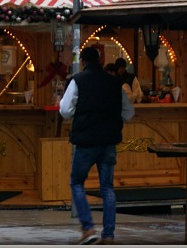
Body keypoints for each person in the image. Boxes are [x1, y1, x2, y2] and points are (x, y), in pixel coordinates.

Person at [59, 46, 135, 245]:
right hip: (108, 142)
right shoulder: (114, 83)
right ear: (100, 60)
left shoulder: (78, 80)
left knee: (76, 182)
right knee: (108, 188)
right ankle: (108, 235)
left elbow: (65, 110)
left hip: (86, 142)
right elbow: (128, 113)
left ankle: (88, 228)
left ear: (83, 61)